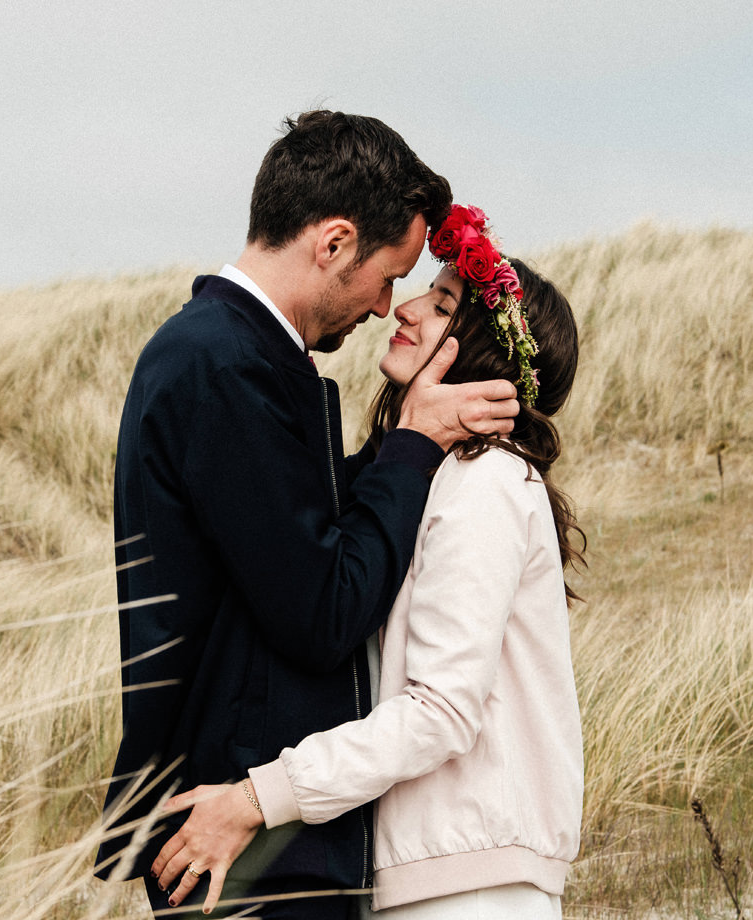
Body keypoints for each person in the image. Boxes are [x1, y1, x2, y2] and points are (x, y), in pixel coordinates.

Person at [94, 114, 521, 919]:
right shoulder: (226, 367)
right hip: (244, 849)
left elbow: (293, 534)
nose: (386, 306)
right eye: (390, 274)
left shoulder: (234, 356)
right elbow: (323, 607)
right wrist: (415, 444)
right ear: (332, 243)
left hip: (256, 838)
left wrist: (402, 444)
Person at [151, 204, 586, 920]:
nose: (406, 308)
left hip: (469, 882)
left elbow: (441, 710)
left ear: (480, 352)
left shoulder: (487, 483)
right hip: (434, 869)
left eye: (442, 302)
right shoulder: (431, 476)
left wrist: (258, 798)